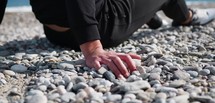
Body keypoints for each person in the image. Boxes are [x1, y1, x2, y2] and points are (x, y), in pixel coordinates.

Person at [1, 0, 215, 79]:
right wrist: (93, 48)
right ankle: (187, 17)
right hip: (102, 26)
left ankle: (151, 17)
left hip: (54, 33)